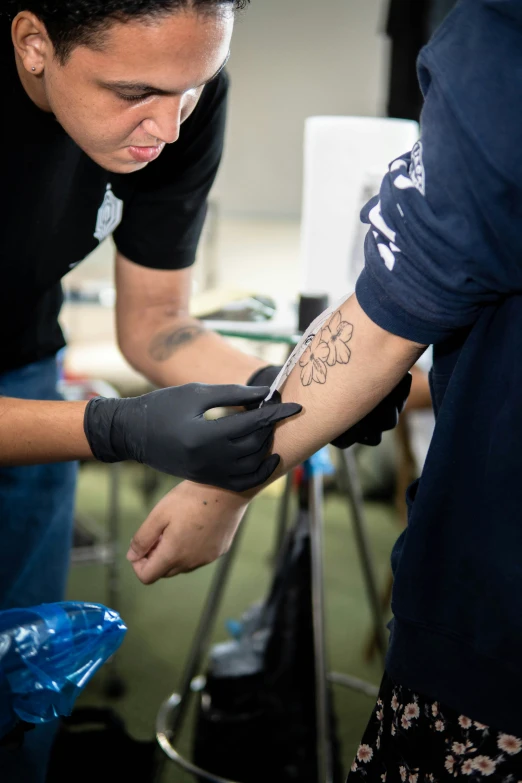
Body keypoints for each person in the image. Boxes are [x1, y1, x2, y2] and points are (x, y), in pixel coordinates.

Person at [129, 0, 522, 777]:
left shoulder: (503, 40)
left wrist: (221, 485)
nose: (165, 124)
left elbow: (388, 322)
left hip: (496, 625)